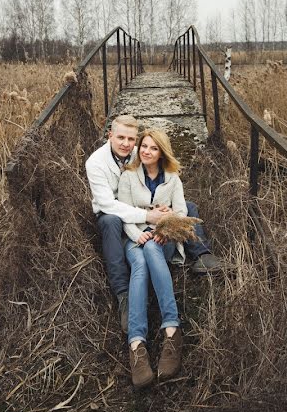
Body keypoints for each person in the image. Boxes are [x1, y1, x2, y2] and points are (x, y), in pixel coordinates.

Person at [85, 116, 222, 333]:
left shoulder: (138, 151)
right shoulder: (95, 163)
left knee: (188, 206)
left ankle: (201, 255)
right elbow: (107, 203)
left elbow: (155, 176)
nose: (125, 143)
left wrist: (163, 214)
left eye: (131, 139)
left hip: (143, 207)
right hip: (112, 211)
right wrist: (148, 217)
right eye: (120, 137)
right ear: (110, 135)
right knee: (112, 222)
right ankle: (123, 294)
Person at [117, 128, 186, 388]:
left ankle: (167, 332)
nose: (146, 151)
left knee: (152, 249)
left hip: (163, 239)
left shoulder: (173, 179)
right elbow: (124, 214)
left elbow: (182, 212)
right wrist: (137, 235)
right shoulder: (129, 177)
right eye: (144, 146)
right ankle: (139, 345)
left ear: (161, 153)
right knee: (140, 265)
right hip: (135, 237)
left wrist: (167, 221)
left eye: (153, 148)